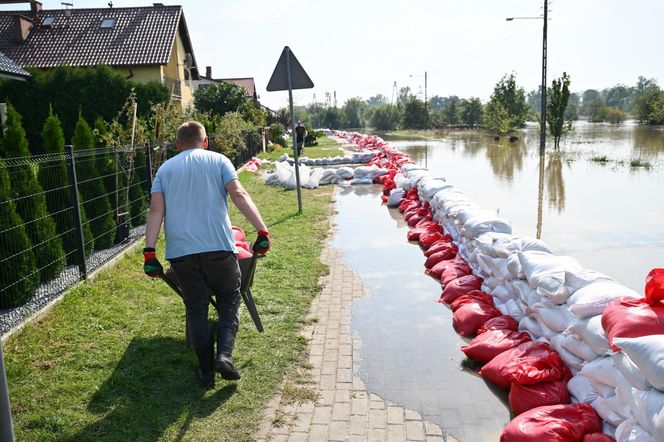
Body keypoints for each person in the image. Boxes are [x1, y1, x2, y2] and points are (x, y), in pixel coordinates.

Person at [143, 121, 271, 389]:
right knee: (229, 297)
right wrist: (261, 230)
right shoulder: (219, 161)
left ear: (177, 144)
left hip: (181, 253)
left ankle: (205, 372)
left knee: (196, 307)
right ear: (206, 141)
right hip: (219, 248)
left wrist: (149, 251)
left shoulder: (165, 170)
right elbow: (238, 193)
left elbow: (156, 211)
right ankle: (223, 356)